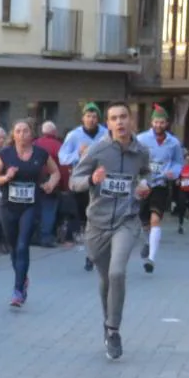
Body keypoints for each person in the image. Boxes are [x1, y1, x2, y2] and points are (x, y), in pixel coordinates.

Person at [68, 102, 151, 361]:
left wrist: (144, 186)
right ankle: (108, 322)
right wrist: (91, 180)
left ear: (131, 120)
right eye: (114, 118)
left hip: (126, 220)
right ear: (108, 123)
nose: (120, 122)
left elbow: (146, 175)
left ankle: (114, 329)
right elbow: (74, 181)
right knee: (105, 278)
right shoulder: (98, 149)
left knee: (117, 272)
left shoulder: (141, 151)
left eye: (124, 117)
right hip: (98, 224)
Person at [0, 120, 59, 307]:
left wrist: (51, 184)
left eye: (25, 131)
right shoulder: (5, 154)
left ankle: (18, 290)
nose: (21, 134)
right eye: (18, 131)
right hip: (8, 206)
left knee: (22, 246)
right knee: (13, 246)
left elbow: (55, 172)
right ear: (13, 135)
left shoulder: (40, 154)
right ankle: (22, 276)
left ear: (31, 134)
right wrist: (6, 177)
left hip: (30, 206)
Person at [59, 103, 109, 271]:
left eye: (94, 116)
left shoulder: (105, 134)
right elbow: (63, 157)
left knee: (94, 218)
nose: (91, 119)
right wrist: (78, 154)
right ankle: (88, 244)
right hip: (81, 180)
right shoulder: (74, 135)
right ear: (83, 118)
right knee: (83, 217)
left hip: (101, 182)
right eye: (88, 116)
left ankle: (91, 254)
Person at [134, 106, 183, 274]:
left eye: (162, 122)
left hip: (160, 184)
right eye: (156, 122)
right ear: (151, 122)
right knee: (144, 221)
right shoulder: (141, 139)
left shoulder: (174, 143)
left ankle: (151, 259)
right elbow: (133, 158)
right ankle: (148, 242)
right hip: (143, 184)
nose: (159, 125)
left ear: (167, 123)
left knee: (155, 219)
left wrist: (174, 172)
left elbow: (178, 162)